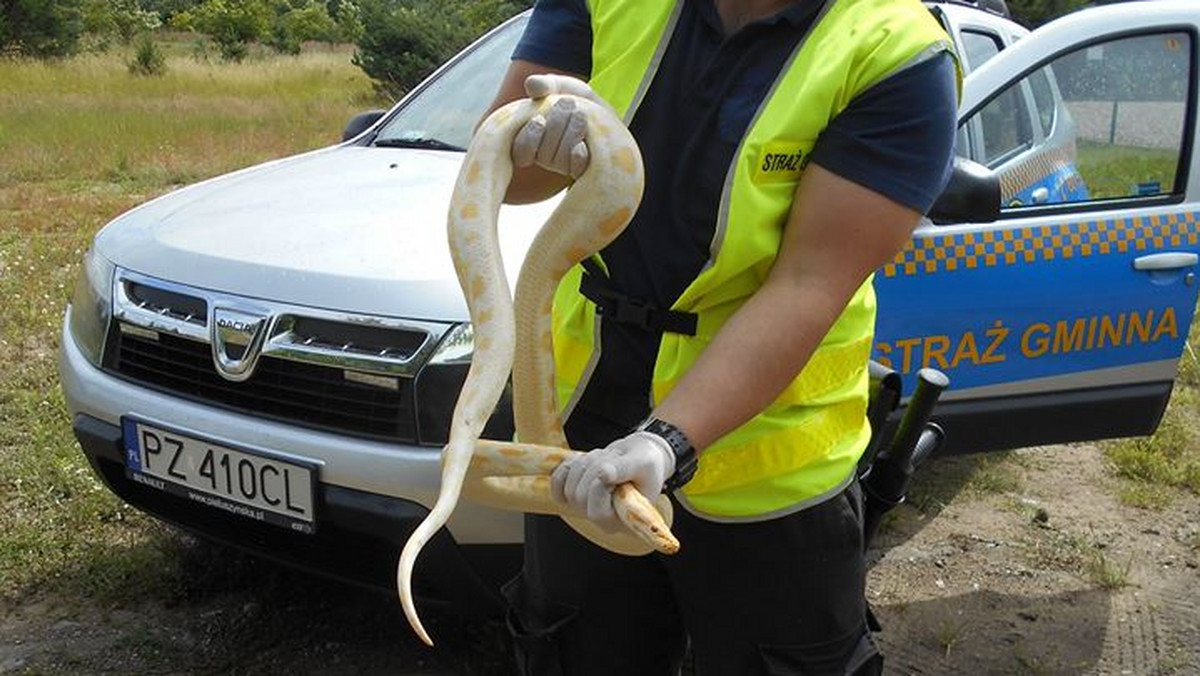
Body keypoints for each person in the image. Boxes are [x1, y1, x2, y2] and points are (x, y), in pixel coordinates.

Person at [482, 0, 959, 673]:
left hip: (770, 464)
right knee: (576, 652)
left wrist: (664, 440)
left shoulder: (896, 51)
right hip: (581, 430)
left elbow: (809, 286)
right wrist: (537, 143)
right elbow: (506, 172)